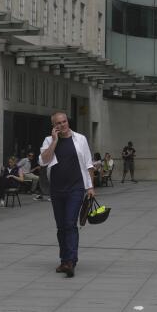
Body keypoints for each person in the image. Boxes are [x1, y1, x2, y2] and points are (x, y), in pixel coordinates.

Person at [40, 111, 95, 278]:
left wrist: (90, 187)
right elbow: (43, 160)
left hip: (76, 188)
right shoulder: (49, 141)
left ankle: (70, 261)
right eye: (58, 123)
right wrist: (55, 142)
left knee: (70, 223)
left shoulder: (80, 139)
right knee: (61, 226)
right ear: (54, 126)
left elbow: (88, 164)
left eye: (64, 122)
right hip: (56, 190)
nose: (62, 125)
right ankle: (64, 259)